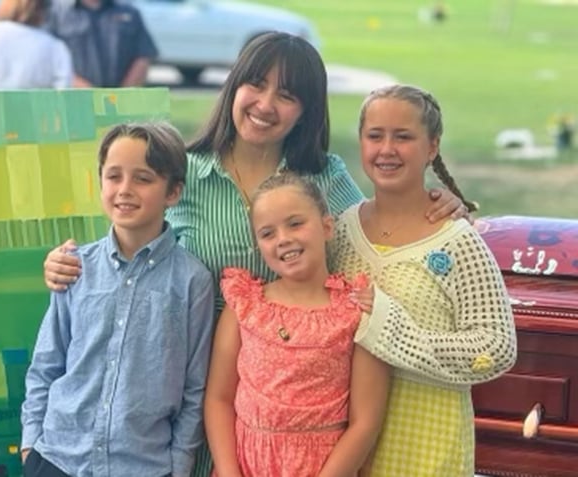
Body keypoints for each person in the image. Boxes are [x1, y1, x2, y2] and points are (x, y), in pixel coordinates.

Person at [42, 31, 467, 476]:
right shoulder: (184, 173)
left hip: (294, 404)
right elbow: (118, 245)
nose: (265, 104)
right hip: (184, 391)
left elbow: (375, 233)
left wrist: (436, 205)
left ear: (305, 113)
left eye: (286, 95)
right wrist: (62, 263)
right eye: (255, 85)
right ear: (233, 86)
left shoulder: (323, 177)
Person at [331, 84, 517, 476]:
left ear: (432, 147)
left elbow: (497, 347)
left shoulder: (457, 241)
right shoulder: (342, 232)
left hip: (428, 446)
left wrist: (398, 338)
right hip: (345, 449)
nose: (387, 149)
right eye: (375, 135)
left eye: (404, 137)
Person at [20, 122, 215, 477]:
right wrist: (30, 444)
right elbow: (47, 364)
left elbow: (194, 388)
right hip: (58, 460)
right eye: (114, 176)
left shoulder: (192, 281)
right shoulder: (75, 266)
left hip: (143, 466)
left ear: (173, 192)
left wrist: (179, 467)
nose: (125, 190)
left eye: (143, 178)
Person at [204, 172, 391, 476]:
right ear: (259, 247)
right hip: (245, 466)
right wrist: (227, 471)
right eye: (268, 233)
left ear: (327, 226)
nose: (284, 239)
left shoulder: (356, 311)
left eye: (295, 223)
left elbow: (365, 422)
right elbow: (218, 398)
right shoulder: (244, 307)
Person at [47, 0, 158, 88]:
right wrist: (87, 91)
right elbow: (49, 60)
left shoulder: (129, 12)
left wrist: (122, 96)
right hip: (75, 102)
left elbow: (143, 56)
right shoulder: (57, 14)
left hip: (121, 104)